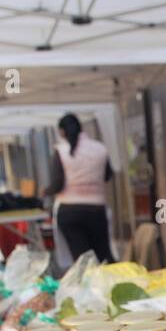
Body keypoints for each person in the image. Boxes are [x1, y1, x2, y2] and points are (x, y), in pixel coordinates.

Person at [48, 113, 115, 264]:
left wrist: (45, 191)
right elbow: (107, 176)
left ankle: (89, 286)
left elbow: (57, 184)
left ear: (62, 132)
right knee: (103, 253)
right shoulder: (100, 148)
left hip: (69, 210)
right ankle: (114, 283)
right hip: (96, 209)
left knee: (82, 258)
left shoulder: (61, 150)